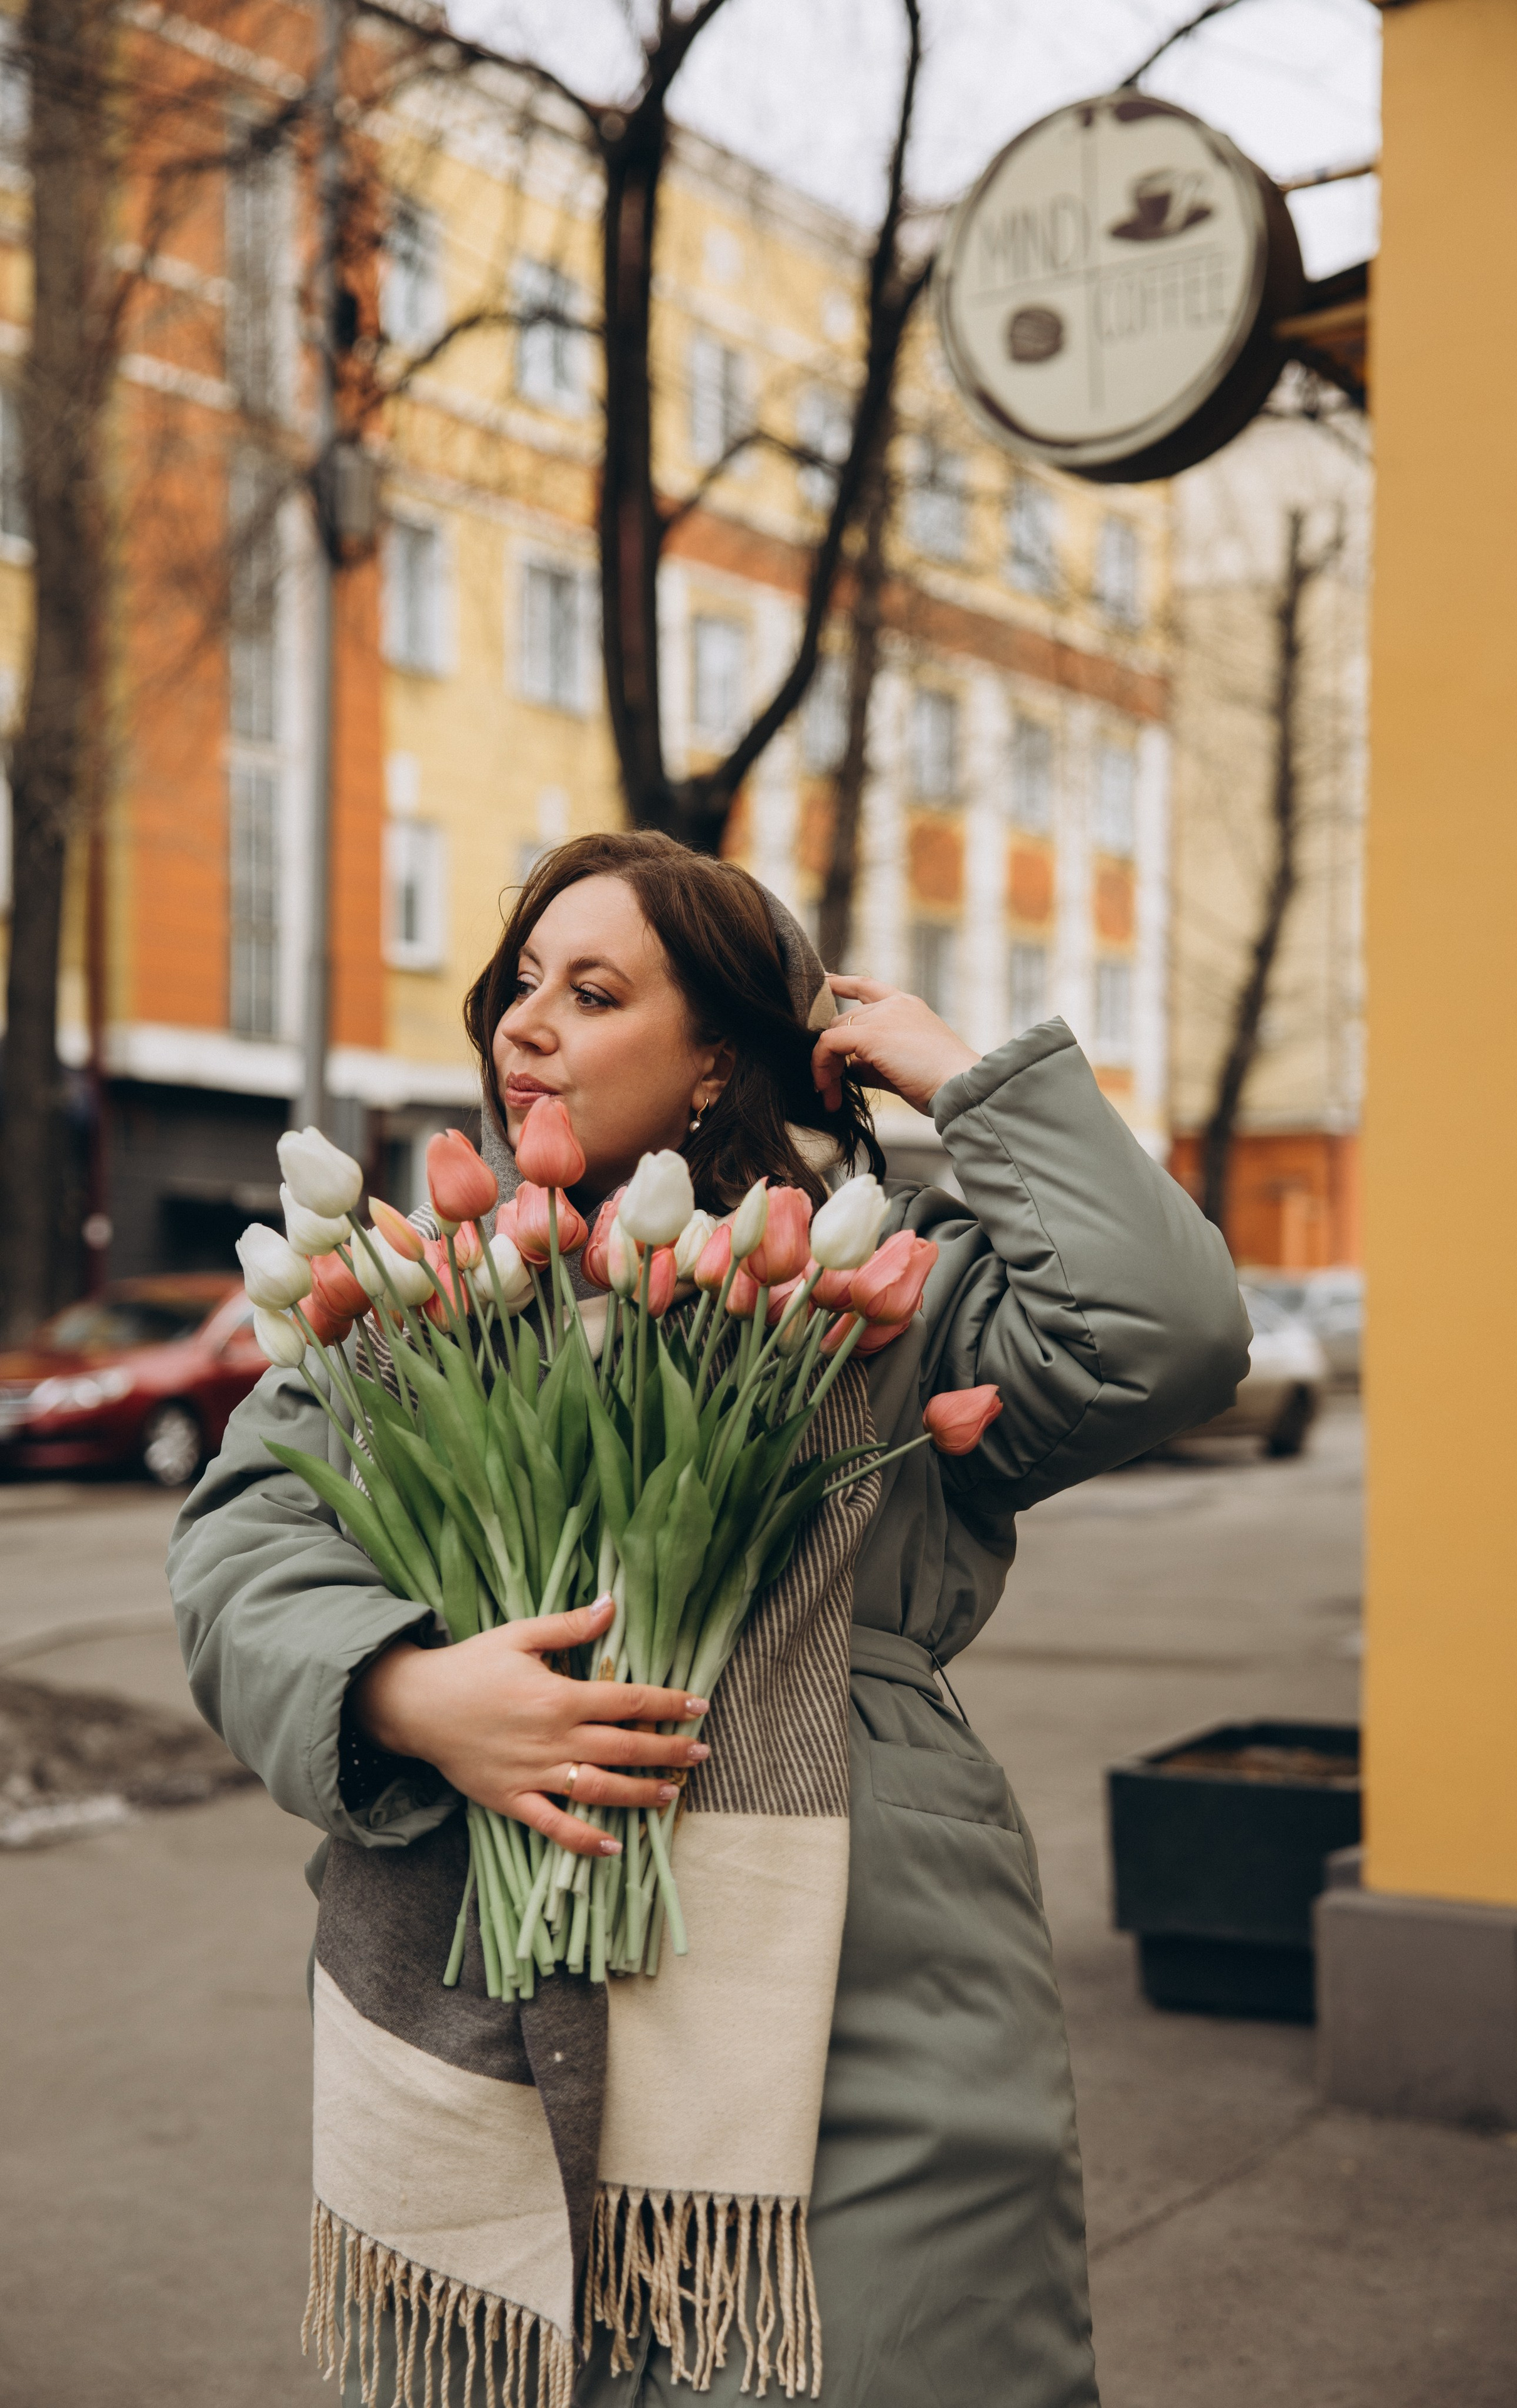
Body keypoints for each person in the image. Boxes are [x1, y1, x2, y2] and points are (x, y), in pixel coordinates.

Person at [169, 829, 1248, 2408]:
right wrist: (404, 1695)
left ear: (710, 1067)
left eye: (591, 991)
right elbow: (243, 1544)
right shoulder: (426, 1307)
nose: (523, 1024)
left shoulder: (876, 1291)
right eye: (517, 986)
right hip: (486, 1979)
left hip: (853, 1999)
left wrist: (968, 1079)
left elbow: (1163, 1334)